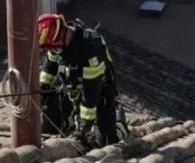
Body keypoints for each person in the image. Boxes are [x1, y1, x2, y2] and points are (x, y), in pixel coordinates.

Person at [37, 14, 130, 148]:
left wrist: (85, 126)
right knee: (47, 127)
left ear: (64, 33)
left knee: (104, 142)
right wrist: (43, 86)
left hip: (99, 94)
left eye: (54, 48)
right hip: (70, 90)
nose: (54, 51)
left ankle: (119, 122)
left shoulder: (91, 47)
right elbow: (50, 64)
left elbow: (91, 90)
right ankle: (68, 121)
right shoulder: (56, 43)